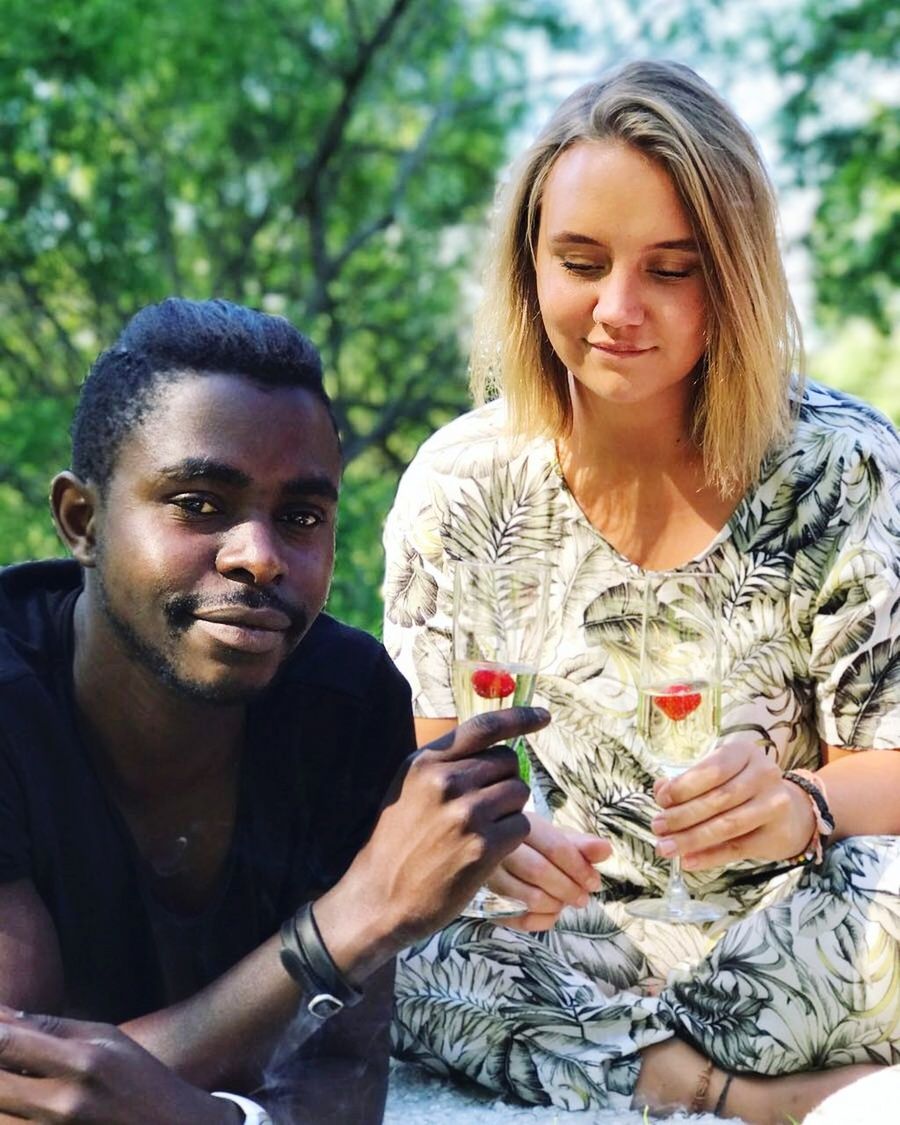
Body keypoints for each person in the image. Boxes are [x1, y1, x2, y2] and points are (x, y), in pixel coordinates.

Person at [382, 59, 900, 1122]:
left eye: (673, 269)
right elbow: (431, 772)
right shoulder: (458, 485)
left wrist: (799, 807)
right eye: (582, 261)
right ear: (529, 268)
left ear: (735, 279)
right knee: (390, 942)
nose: (619, 309)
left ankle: (636, 1070)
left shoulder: (841, 465)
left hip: (814, 916)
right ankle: (745, 1096)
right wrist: (502, 844)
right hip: (578, 941)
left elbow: (887, 778)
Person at [0, 297, 548, 1124]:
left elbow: (342, 1077)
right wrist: (341, 926)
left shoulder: (346, 699)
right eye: (197, 502)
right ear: (82, 519)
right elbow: (26, 1097)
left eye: (300, 517)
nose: (258, 555)